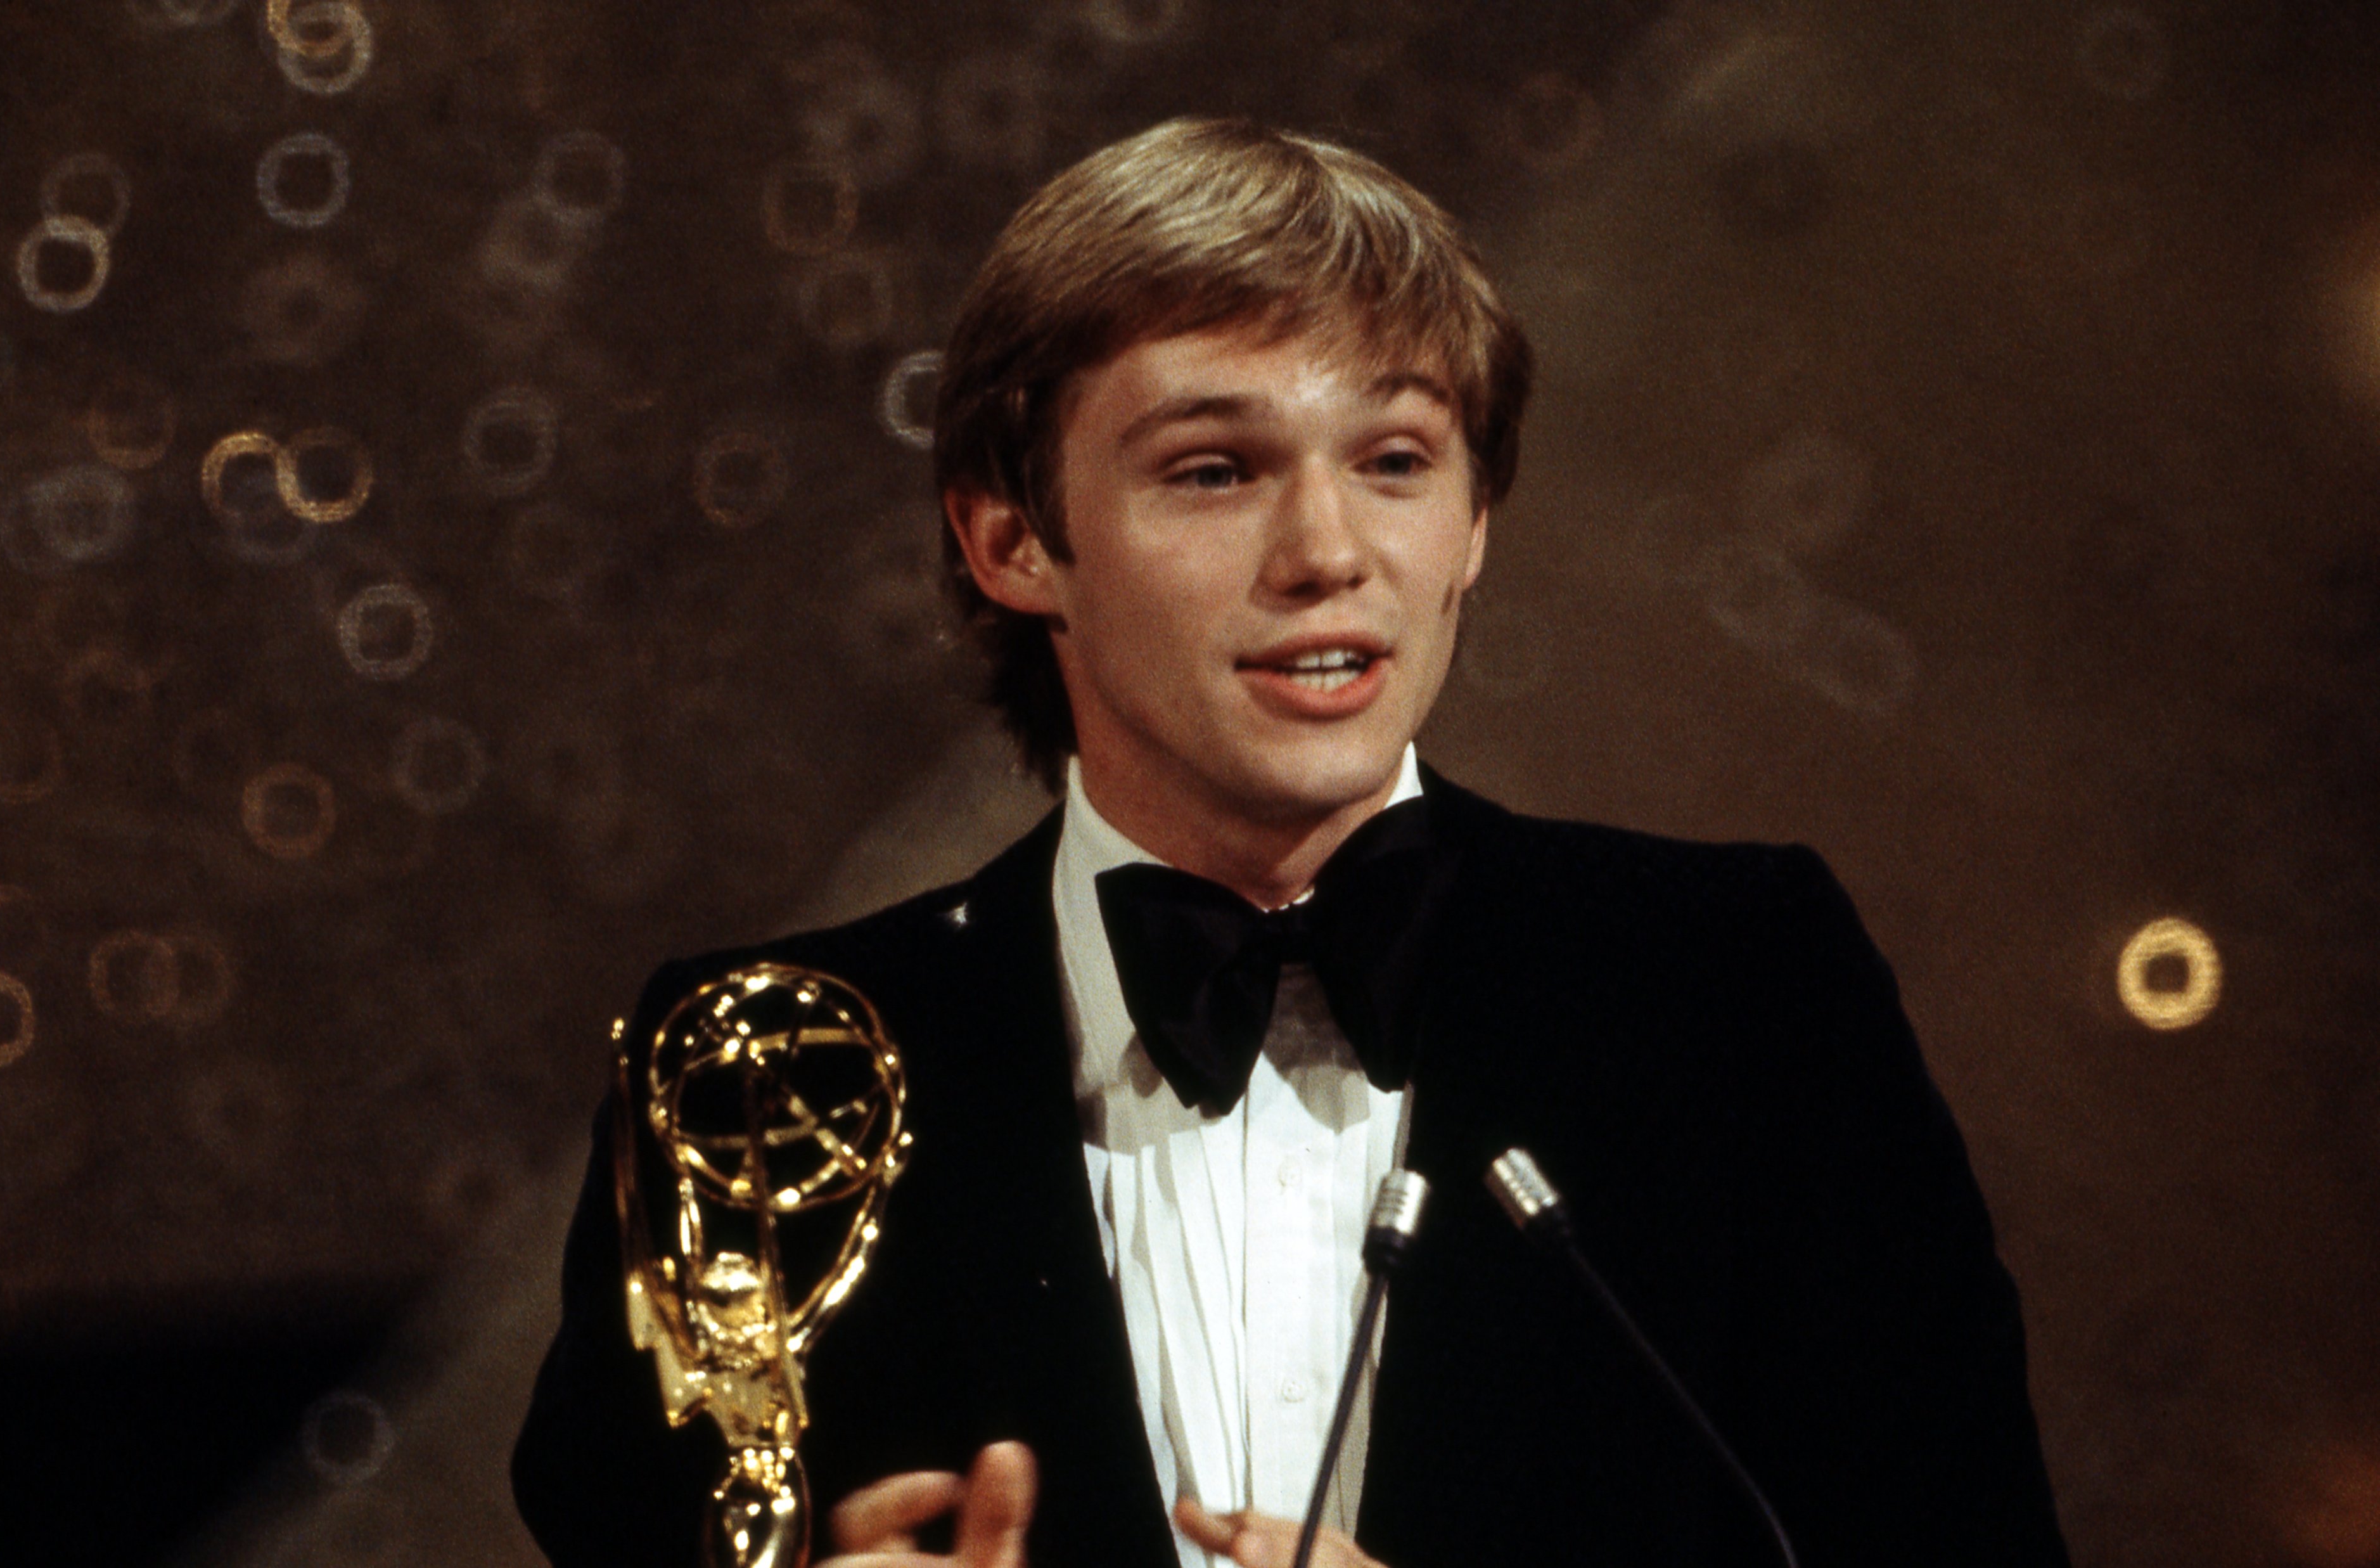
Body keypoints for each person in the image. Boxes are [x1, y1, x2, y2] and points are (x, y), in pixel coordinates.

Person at [512, 117, 2070, 1568]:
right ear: (1009, 537)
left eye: (1394, 461)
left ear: (1471, 522)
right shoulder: (755, 1069)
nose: (1327, 554)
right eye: (1213, 470)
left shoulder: (1737, 989)